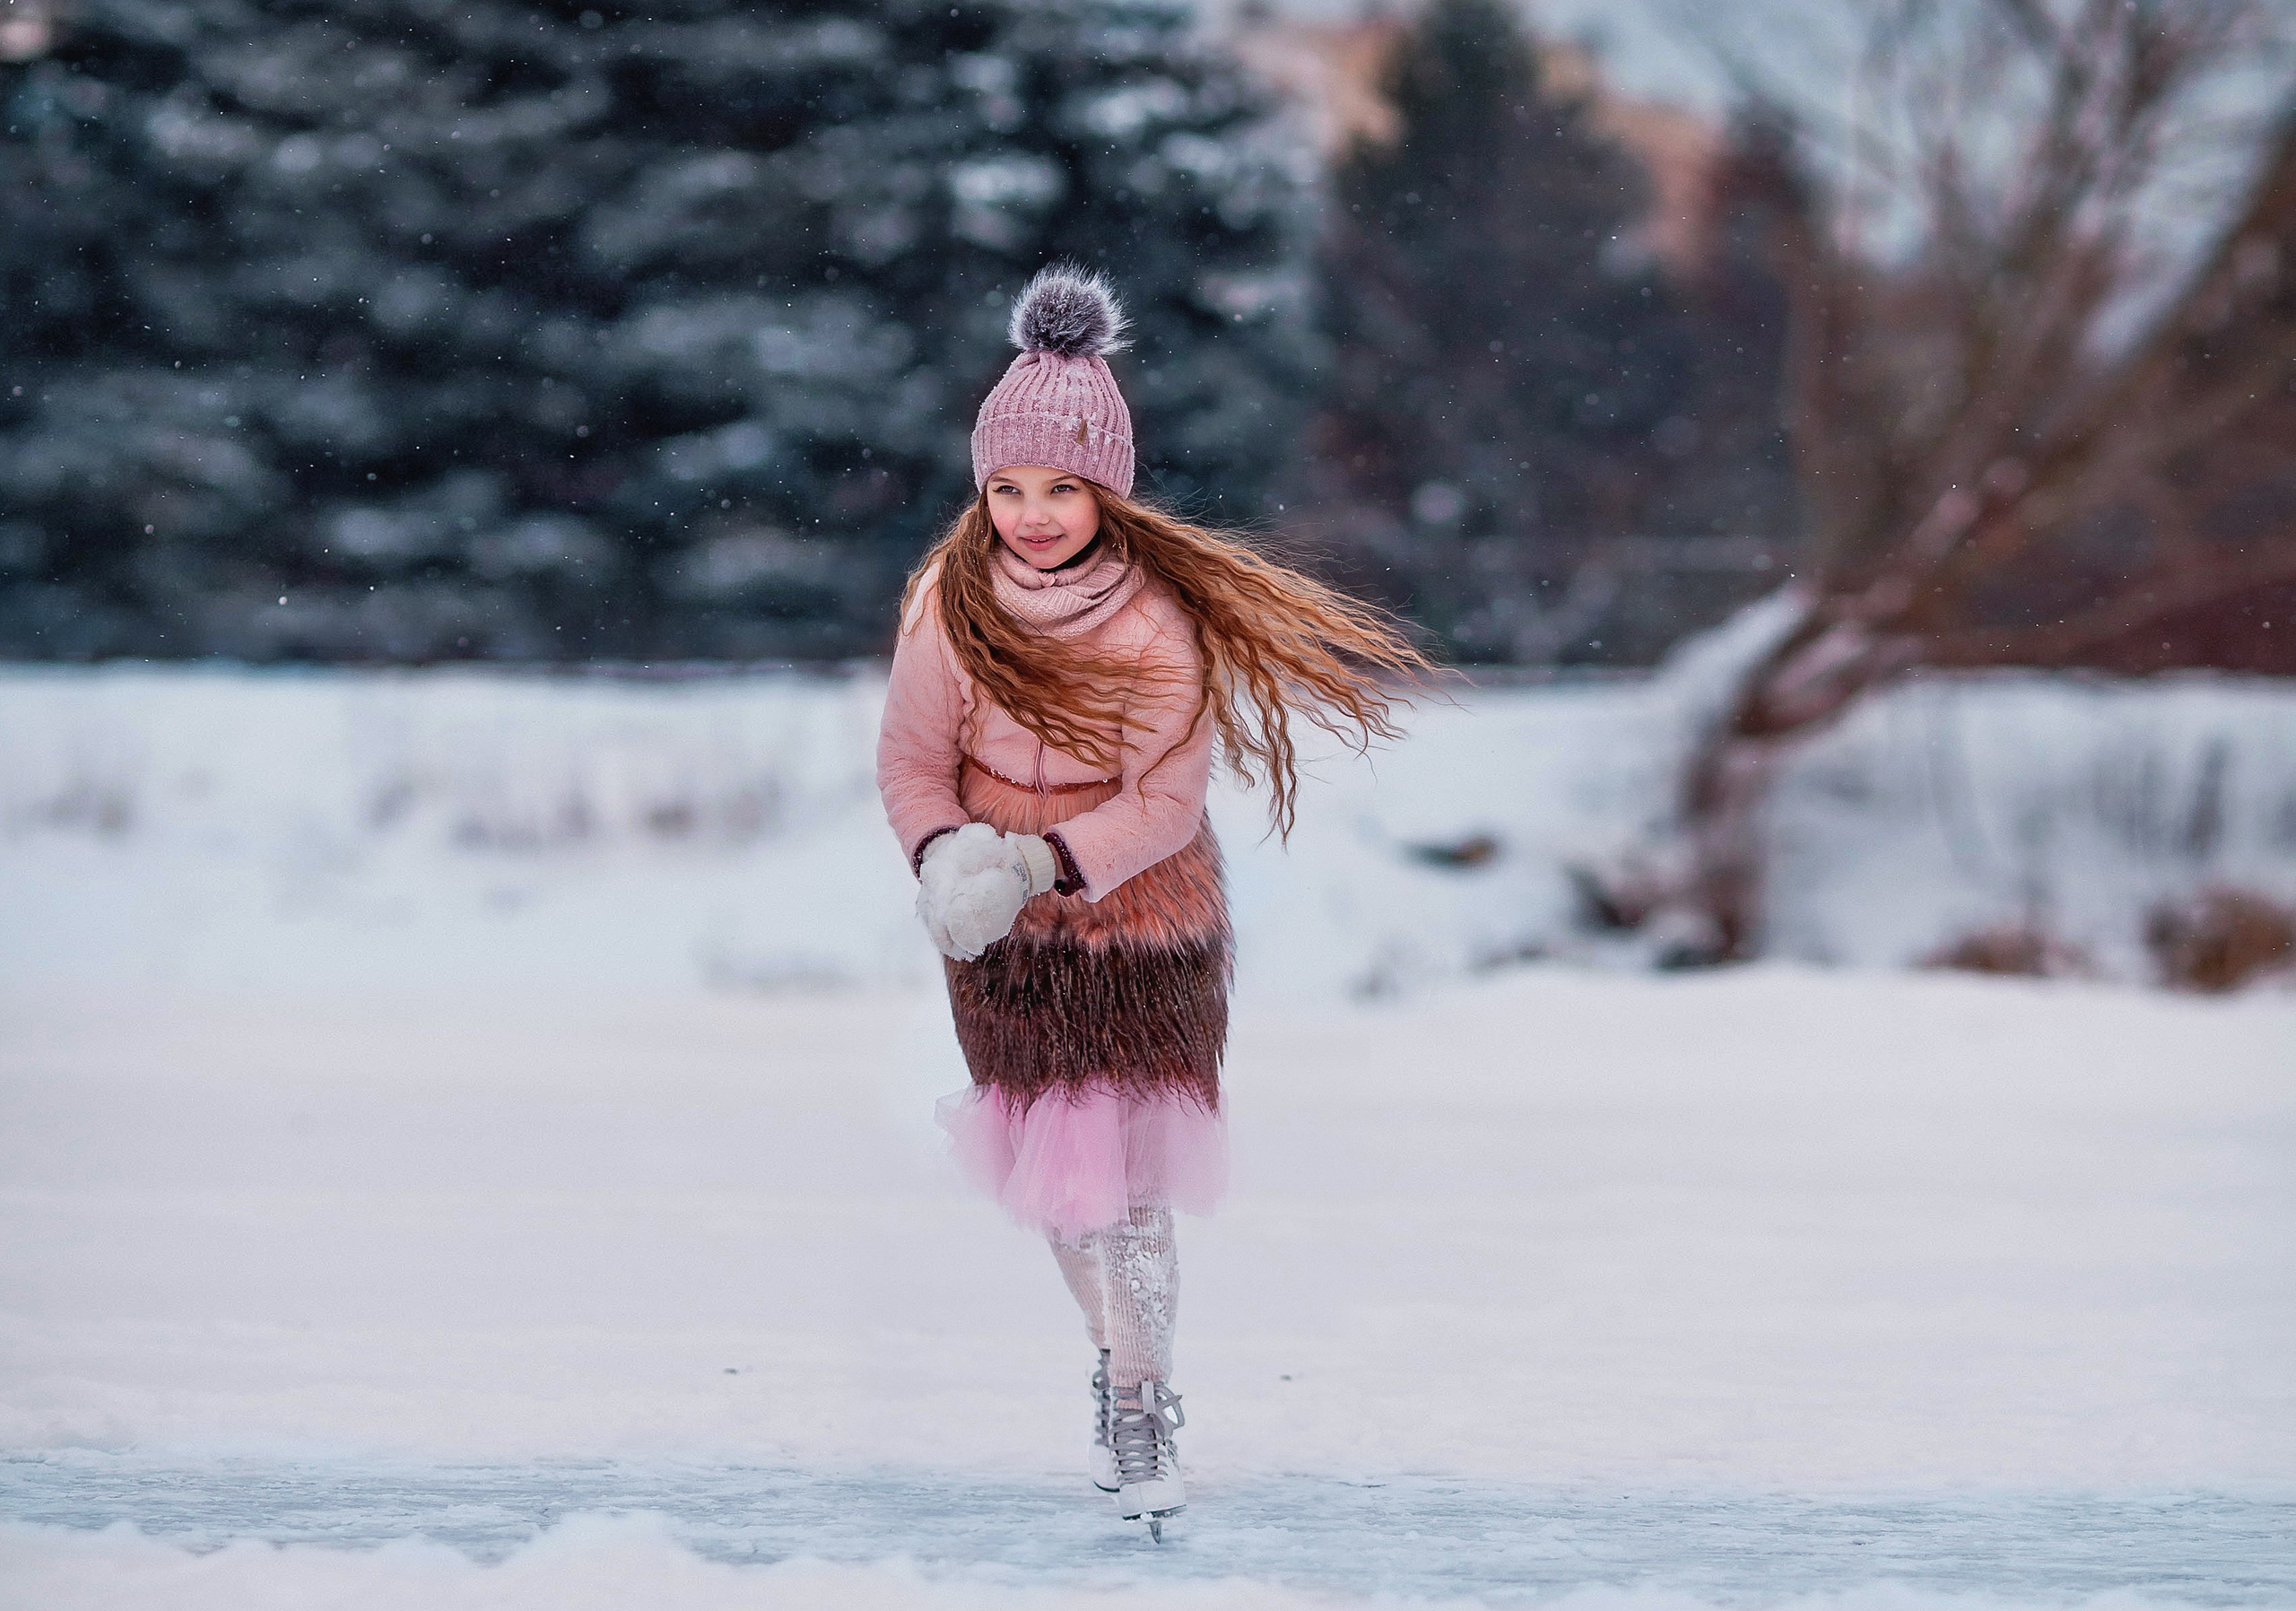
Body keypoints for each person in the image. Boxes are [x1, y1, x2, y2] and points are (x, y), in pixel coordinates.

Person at [876, 266, 1431, 1537]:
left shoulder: (1152, 624)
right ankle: (1114, 1358)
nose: (1030, 514)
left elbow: (1164, 802)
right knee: (1047, 1168)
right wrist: (947, 859)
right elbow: (909, 760)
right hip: (998, 938)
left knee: (1120, 1182)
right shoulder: (947, 611)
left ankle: (1142, 1399)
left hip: (1138, 921)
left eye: (1058, 487)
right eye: (1008, 487)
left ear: (1104, 489)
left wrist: (1036, 863)